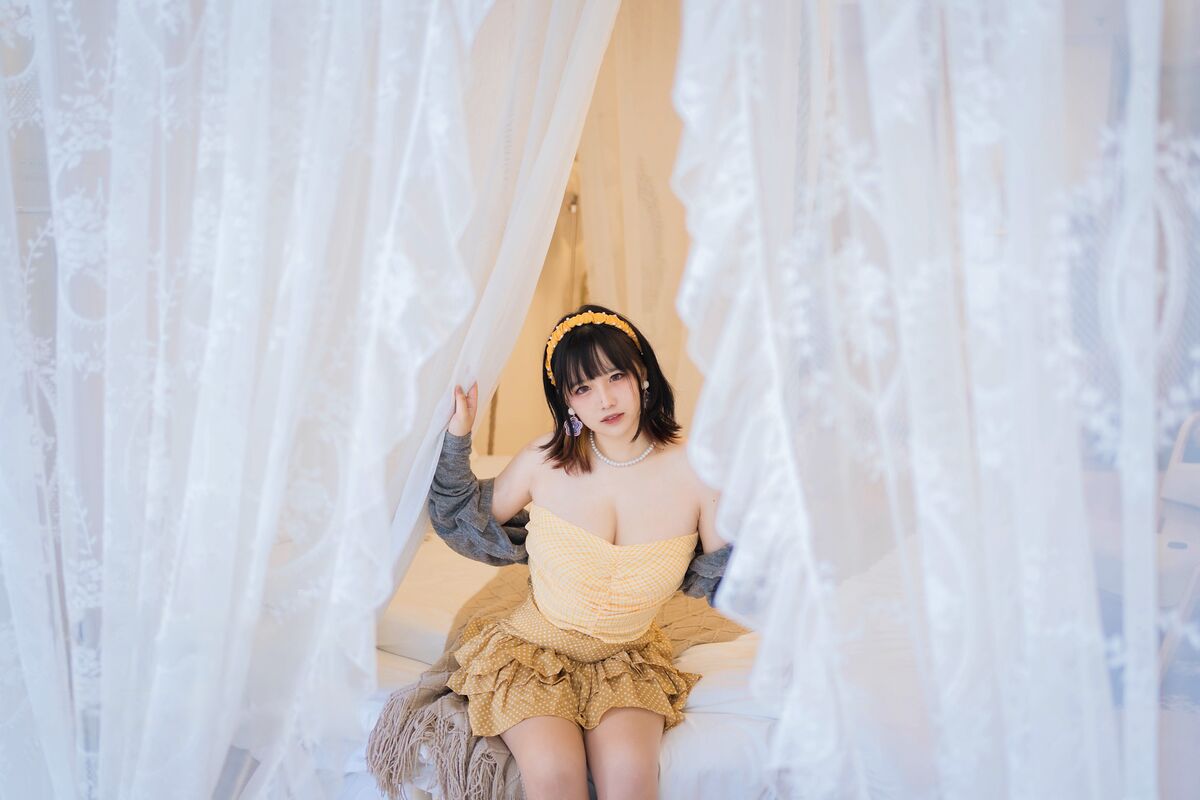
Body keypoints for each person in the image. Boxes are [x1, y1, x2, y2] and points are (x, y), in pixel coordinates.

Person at [369, 305, 733, 800]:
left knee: (631, 780)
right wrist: (458, 437)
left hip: (626, 659)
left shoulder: (696, 470)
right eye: (582, 388)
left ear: (643, 374)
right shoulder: (545, 460)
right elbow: (463, 518)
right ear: (566, 400)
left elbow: (727, 577)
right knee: (556, 777)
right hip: (531, 654)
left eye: (616, 376)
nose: (605, 399)